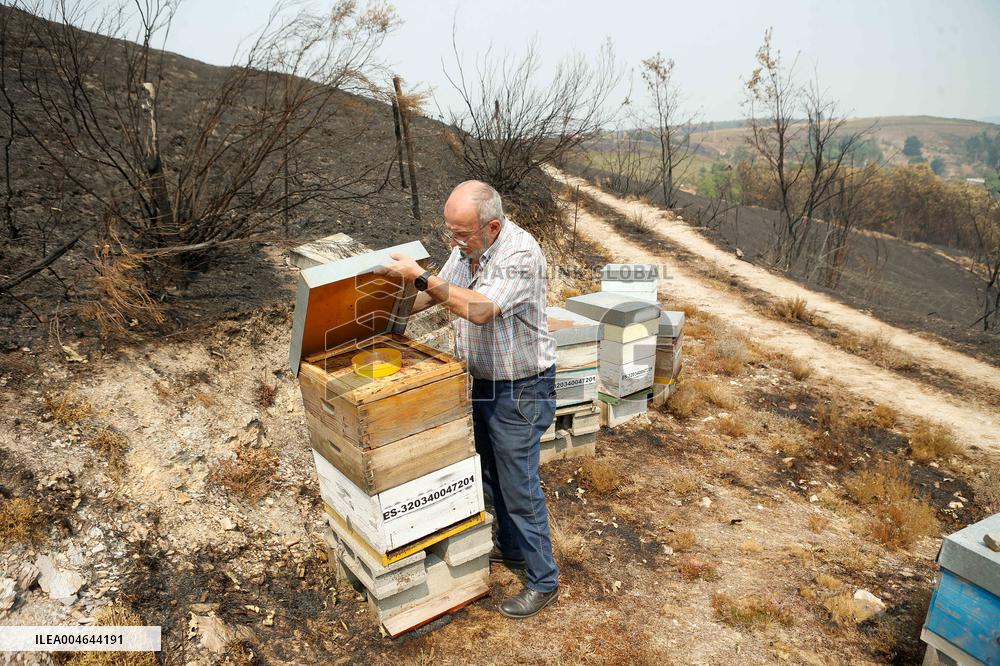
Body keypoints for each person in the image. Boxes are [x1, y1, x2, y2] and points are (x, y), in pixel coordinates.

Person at [375, 180, 560, 618]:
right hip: (482, 384)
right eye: (450, 232)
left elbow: (479, 309)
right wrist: (385, 301)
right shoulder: (466, 249)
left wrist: (421, 276)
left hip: (521, 389)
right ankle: (511, 548)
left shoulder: (519, 255)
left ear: (492, 226)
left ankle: (544, 580)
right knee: (491, 476)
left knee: (520, 487)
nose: (453, 242)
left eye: (461, 234)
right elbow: (433, 294)